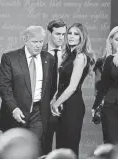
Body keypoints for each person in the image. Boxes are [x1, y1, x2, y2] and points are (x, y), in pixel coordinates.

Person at [0, 26, 55, 154]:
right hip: (16, 112)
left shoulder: (49, 59)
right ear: (25, 39)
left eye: (41, 42)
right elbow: (5, 87)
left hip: (38, 112)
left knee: (33, 149)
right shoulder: (10, 58)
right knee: (14, 151)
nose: (38, 45)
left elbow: (52, 87)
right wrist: (14, 108)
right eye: (35, 42)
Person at [51, 23, 95, 156]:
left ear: (82, 38)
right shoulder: (68, 55)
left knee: (69, 146)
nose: (71, 36)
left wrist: (55, 104)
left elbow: (72, 87)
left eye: (76, 34)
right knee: (60, 146)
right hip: (63, 102)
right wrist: (56, 99)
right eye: (69, 33)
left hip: (72, 105)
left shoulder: (80, 56)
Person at [42, 18, 67, 154]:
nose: (61, 38)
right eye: (58, 34)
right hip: (44, 105)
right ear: (49, 33)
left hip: (65, 103)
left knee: (64, 146)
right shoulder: (40, 52)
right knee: (45, 144)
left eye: (63, 34)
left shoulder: (69, 54)